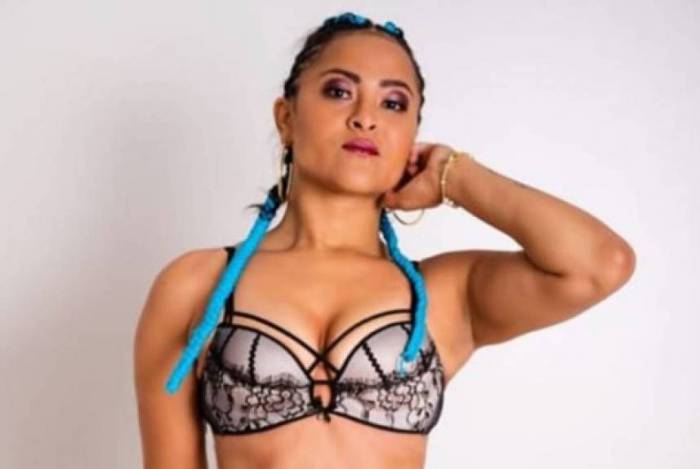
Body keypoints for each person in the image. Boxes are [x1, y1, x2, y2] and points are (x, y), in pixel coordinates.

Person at [133, 11, 636, 469]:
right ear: (286, 118)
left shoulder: (444, 294)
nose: (366, 117)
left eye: (394, 103)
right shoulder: (197, 285)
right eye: (338, 91)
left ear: (412, 134)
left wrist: (455, 176)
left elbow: (600, 264)